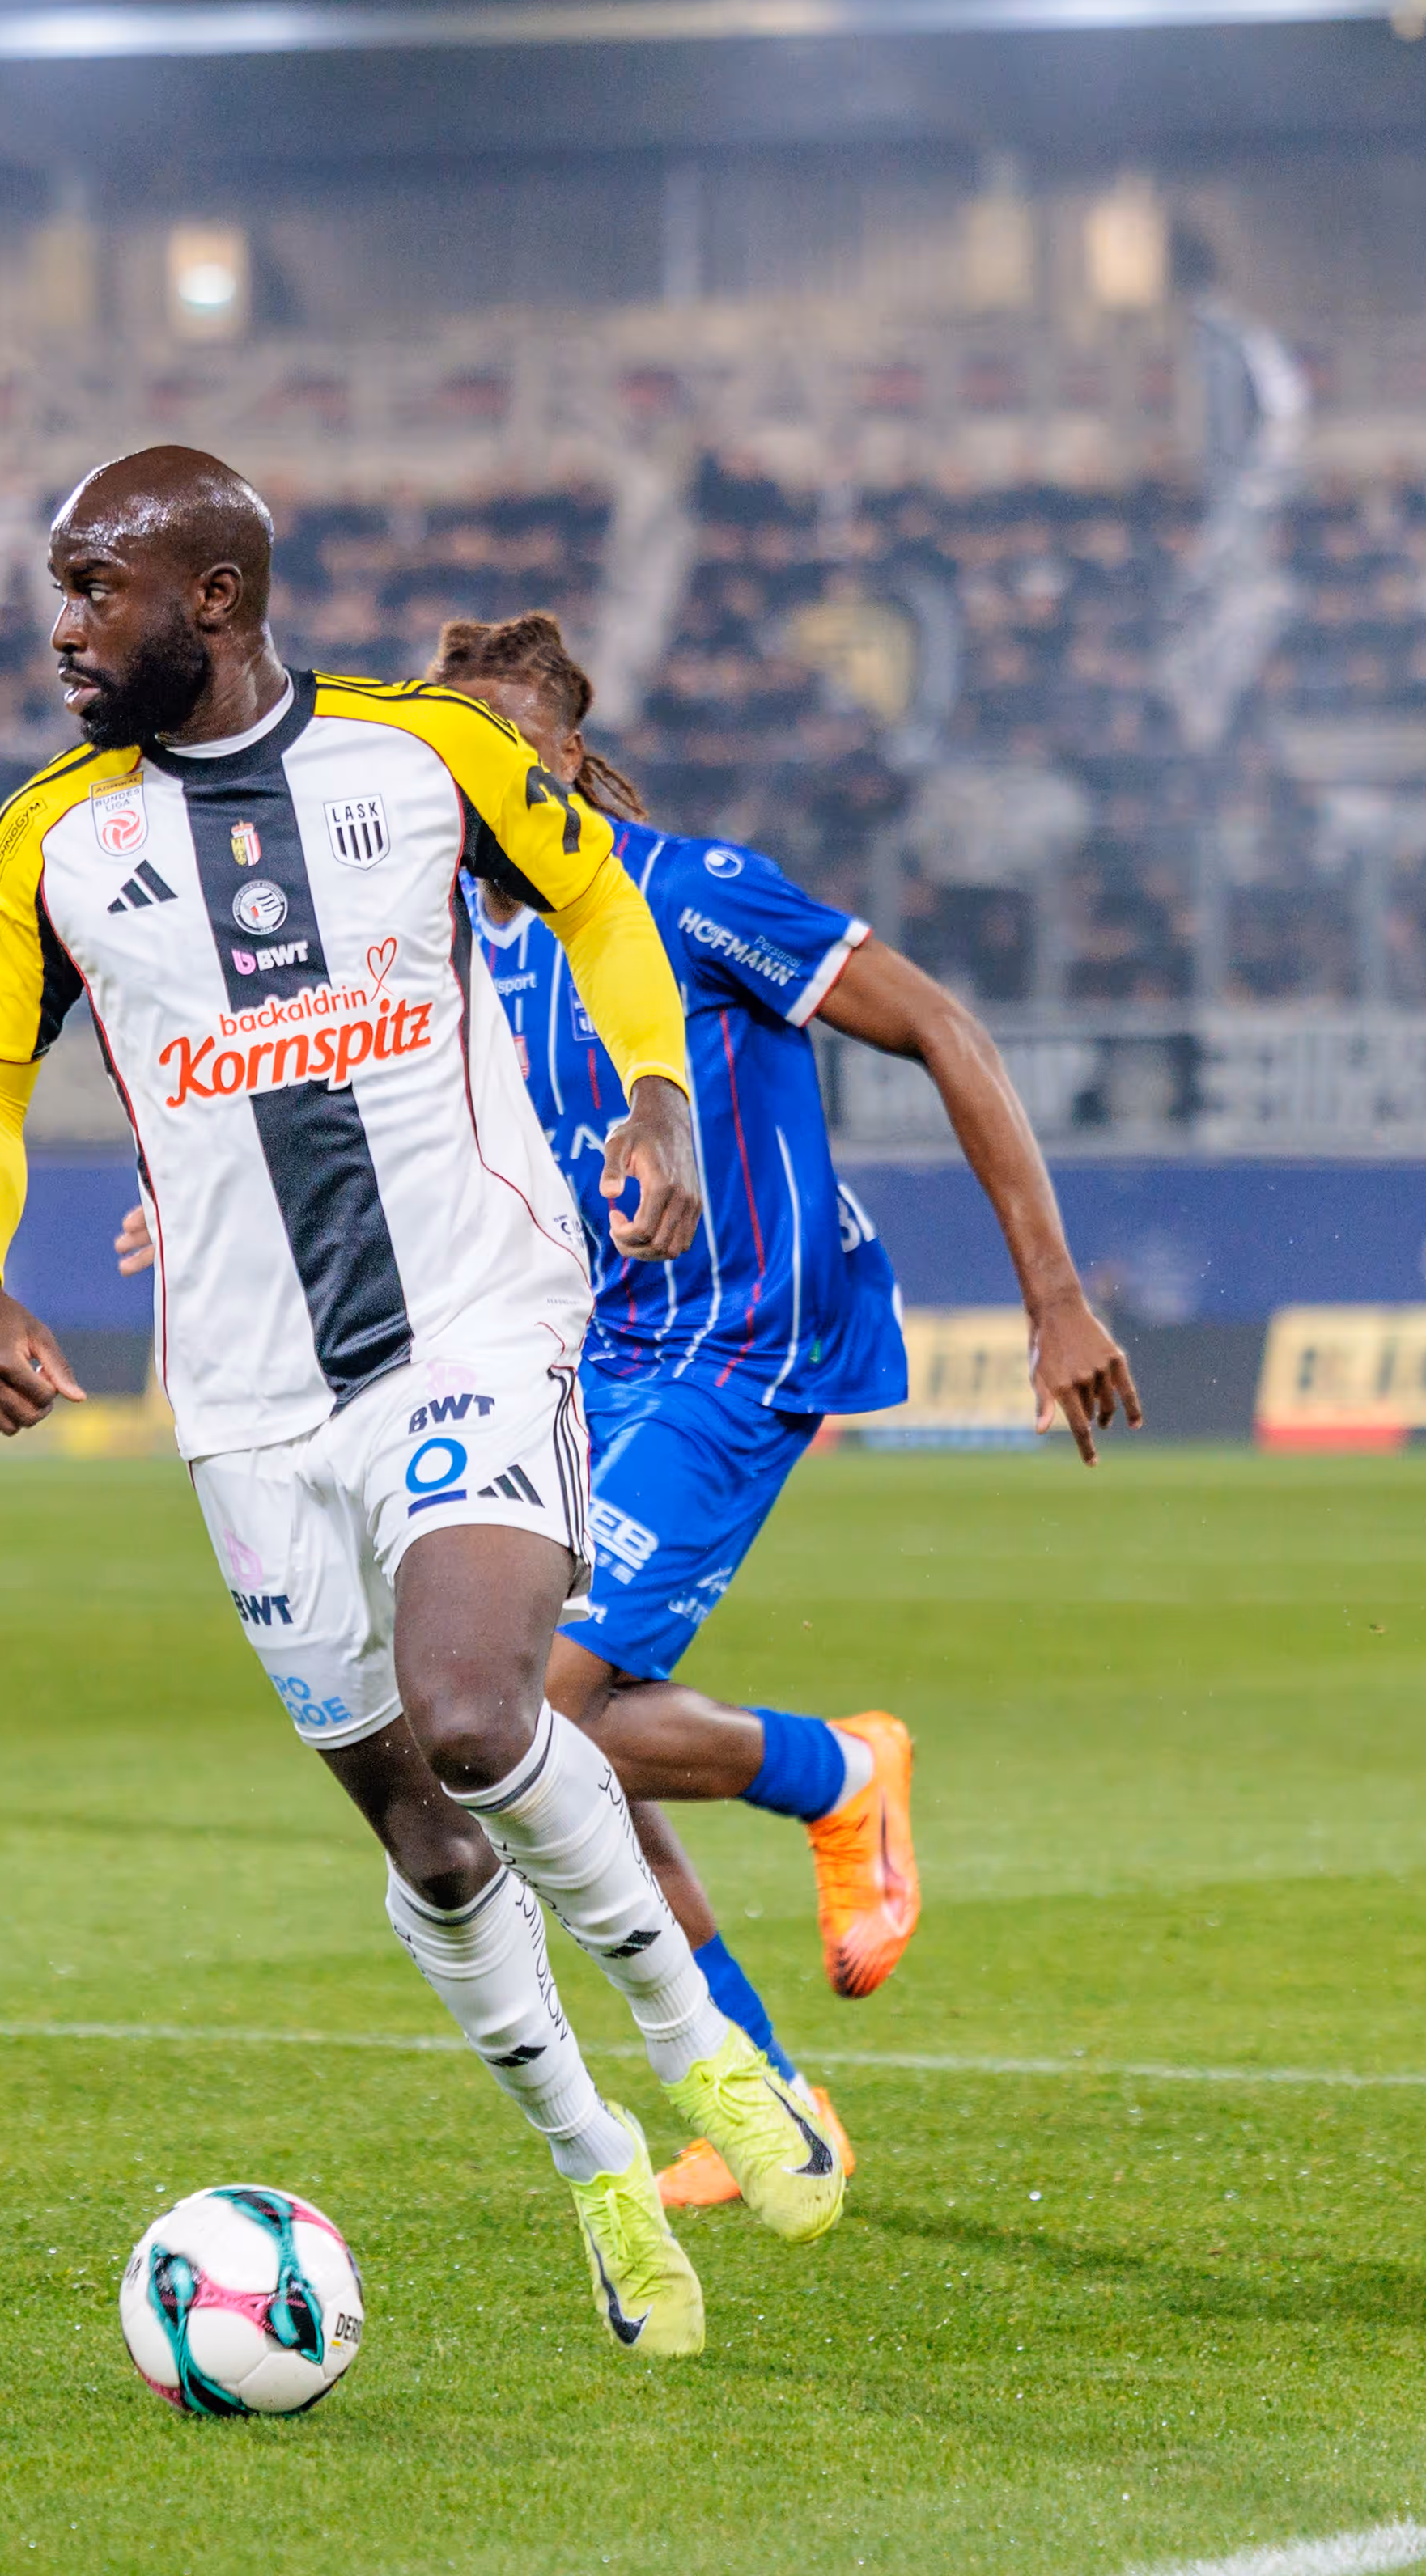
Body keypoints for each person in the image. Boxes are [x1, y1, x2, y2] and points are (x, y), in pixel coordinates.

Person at [0, 447, 838, 2362]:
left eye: (95, 589)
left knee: (481, 1712)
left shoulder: (427, 753)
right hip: (246, 1397)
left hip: (473, 1321)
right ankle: (595, 2160)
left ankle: (702, 2050)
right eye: (60, 590)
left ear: (217, 599)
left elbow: (599, 903)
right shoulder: (51, 841)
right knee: (419, 1828)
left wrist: (660, 1094)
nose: (64, 629)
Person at [126, 610, 1138, 2210]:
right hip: (569, 1351)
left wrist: (1055, 1295)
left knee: (527, 1712)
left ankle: (833, 1776)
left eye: (512, 756)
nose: (481, 785)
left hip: (740, 1340)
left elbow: (946, 1027)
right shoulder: (439, 947)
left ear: (569, 761)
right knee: (514, 1739)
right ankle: (771, 2095)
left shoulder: (690, 893)